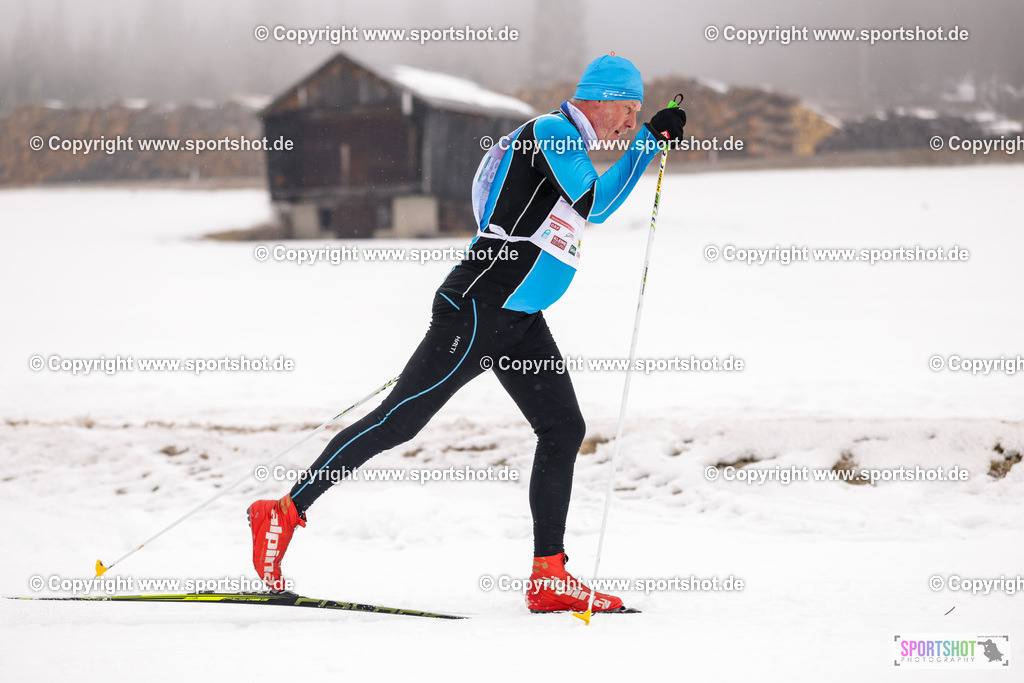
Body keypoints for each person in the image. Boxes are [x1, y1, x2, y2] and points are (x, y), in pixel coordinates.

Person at [248, 54, 686, 613]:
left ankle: (549, 575)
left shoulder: (567, 147)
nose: (627, 122)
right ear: (601, 98)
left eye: (635, 115)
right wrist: (647, 143)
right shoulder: (551, 132)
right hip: (477, 308)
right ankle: (281, 513)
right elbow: (595, 204)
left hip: (519, 321)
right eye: (627, 110)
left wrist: (647, 140)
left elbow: (579, 204)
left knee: (562, 427)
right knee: (396, 422)